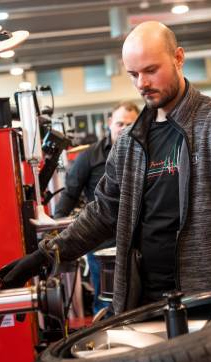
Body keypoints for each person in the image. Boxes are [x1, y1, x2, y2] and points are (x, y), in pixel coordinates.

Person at [0, 21, 211, 325]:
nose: (142, 84)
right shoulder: (131, 141)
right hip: (143, 302)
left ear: (179, 58)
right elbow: (103, 213)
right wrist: (43, 256)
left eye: (151, 70)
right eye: (133, 74)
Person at [54, 101, 140, 313]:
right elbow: (69, 195)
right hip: (103, 246)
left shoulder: (145, 153)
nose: (124, 129)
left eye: (130, 124)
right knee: (105, 302)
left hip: (139, 243)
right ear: (110, 123)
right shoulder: (89, 157)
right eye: (120, 123)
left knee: (139, 301)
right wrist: (56, 234)